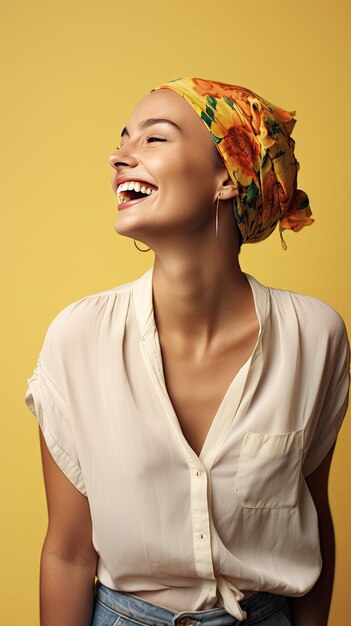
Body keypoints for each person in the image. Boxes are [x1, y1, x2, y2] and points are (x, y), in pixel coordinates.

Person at [24, 77, 350, 626]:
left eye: (153, 139)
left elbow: (312, 519)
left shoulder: (315, 336)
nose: (118, 156)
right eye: (122, 139)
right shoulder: (76, 338)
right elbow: (68, 551)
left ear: (228, 174)